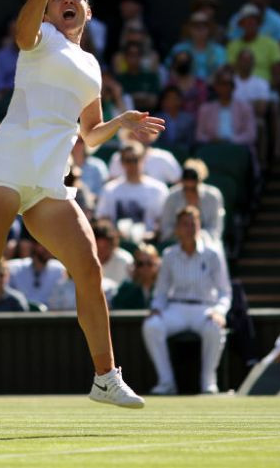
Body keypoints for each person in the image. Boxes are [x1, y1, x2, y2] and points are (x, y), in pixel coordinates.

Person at [0, 0, 162, 429]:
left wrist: (121, 122)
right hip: (7, 167)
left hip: (48, 182)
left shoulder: (92, 66)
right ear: (51, 9)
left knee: (89, 266)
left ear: (88, 11)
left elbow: (90, 135)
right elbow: (21, 31)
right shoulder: (41, 40)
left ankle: (104, 376)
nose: (67, 0)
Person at [141, 206, 231, 395]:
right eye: (185, 224)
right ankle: (166, 382)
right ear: (178, 229)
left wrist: (219, 312)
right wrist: (157, 308)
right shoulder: (169, 255)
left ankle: (208, 382)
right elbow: (162, 292)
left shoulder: (213, 255)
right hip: (177, 309)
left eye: (193, 224)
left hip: (205, 309)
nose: (190, 228)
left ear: (199, 226)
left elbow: (224, 292)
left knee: (214, 327)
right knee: (151, 326)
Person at [95, 141, 169, 240]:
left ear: (143, 159)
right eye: (128, 160)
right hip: (116, 244)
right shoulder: (110, 189)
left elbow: (163, 222)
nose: (132, 164)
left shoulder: (159, 189)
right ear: (122, 162)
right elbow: (102, 219)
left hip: (148, 244)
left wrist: (152, 235)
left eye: (136, 159)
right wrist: (114, 233)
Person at [158, 159, 225, 246]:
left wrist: (197, 237)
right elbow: (166, 229)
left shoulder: (213, 196)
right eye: (186, 187)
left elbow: (215, 229)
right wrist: (183, 234)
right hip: (176, 243)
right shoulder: (172, 197)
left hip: (207, 244)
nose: (189, 190)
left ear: (200, 180)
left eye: (193, 188)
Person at [111, 243, 160, 310]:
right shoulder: (126, 289)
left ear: (156, 264)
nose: (145, 268)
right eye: (140, 264)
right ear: (135, 265)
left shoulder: (164, 287)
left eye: (149, 263)